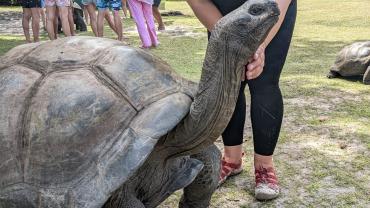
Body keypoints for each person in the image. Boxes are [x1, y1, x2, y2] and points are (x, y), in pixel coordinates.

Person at [186, 0, 297, 200]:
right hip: (222, 15)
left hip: (271, 9)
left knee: (264, 83)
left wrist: (258, 45)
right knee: (230, 83)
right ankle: (231, 159)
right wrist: (232, 38)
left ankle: (264, 166)